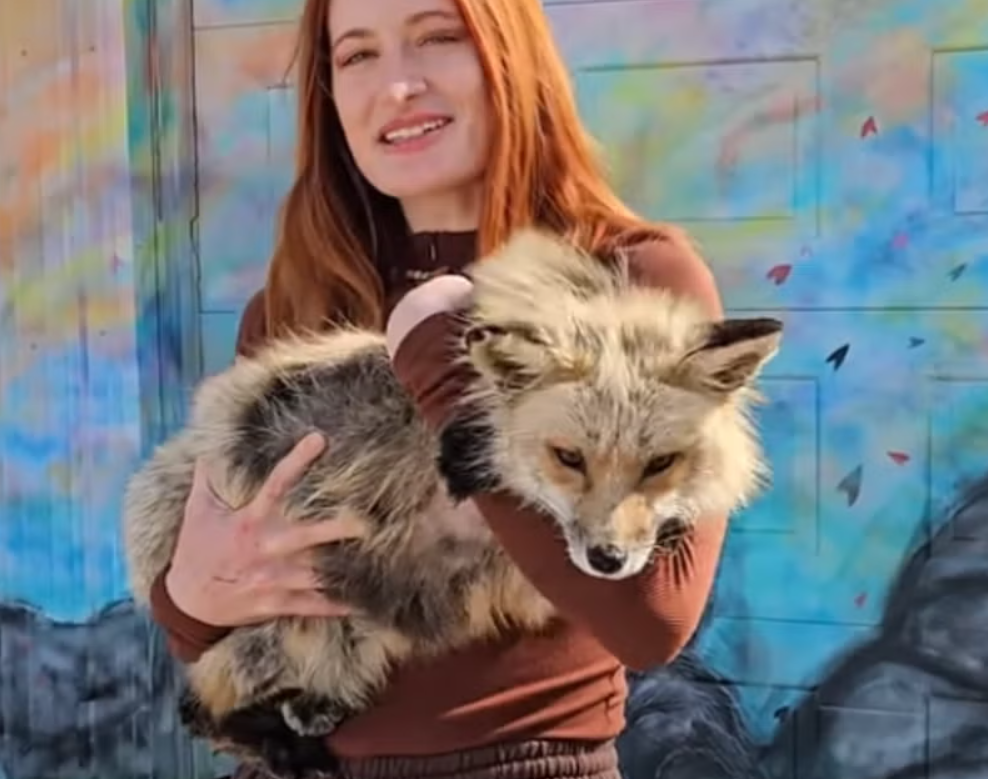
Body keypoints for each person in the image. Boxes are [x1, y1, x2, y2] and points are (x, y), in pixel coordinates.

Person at [148, 0, 730, 777]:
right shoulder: (296, 305)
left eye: (437, 37)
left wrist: (446, 360)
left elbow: (651, 620)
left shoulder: (635, 282)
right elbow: (231, 621)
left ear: (509, 53)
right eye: (358, 55)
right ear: (329, 94)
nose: (398, 86)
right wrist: (188, 601)